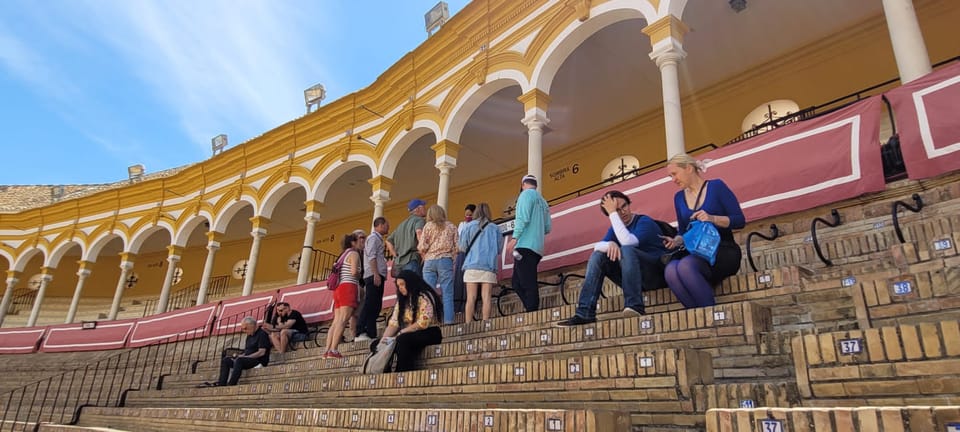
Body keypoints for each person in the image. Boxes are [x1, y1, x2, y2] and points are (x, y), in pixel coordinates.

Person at [556, 191, 668, 326]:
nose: (623, 212)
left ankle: (635, 306)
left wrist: (613, 214)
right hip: (634, 280)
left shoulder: (644, 221)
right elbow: (597, 248)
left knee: (626, 249)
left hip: (657, 276)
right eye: (617, 210)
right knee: (599, 256)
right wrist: (610, 243)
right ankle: (585, 313)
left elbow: (628, 242)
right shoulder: (616, 229)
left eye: (624, 206)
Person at [662, 154, 745, 308]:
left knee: (685, 266)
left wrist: (712, 218)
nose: (673, 180)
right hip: (697, 252)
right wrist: (676, 241)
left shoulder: (716, 186)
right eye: (670, 176)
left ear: (688, 168)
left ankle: (710, 314)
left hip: (722, 250)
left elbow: (739, 220)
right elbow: (683, 230)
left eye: (674, 174)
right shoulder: (678, 197)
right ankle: (699, 319)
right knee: (671, 270)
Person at [380, 270, 443, 372]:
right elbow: (394, 323)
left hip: (429, 331)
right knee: (379, 344)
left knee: (402, 340)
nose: (400, 288)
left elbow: (423, 323)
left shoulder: (424, 296)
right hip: (409, 333)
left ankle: (403, 371)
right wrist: (383, 340)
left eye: (402, 284)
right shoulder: (402, 301)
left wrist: (402, 332)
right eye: (398, 285)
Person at [507, 175, 552, 312]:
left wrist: (514, 238)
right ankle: (530, 308)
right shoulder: (543, 201)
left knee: (525, 282)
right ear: (536, 185)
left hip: (524, 245)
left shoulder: (525, 195)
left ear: (522, 185)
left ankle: (532, 310)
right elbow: (547, 227)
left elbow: (523, 218)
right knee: (517, 281)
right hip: (537, 247)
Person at [458, 202, 503, 322]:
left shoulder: (468, 226)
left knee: (470, 297)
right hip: (488, 265)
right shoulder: (495, 228)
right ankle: (485, 323)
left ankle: (468, 324)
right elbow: (499, 249)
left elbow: (462, 247)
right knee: (486, 297)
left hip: (471, 264)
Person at [418, 205, 459, 324]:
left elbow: (421, 246)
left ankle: (428, 320)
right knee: (447, 292)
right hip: (445, 260)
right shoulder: (451, 226)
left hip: (430, 261)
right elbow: (457, 246)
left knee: (428, 294)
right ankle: (448, 321)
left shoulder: (428, 226)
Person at [324, 233, 362, 359]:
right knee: (343, 320)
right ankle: (334, 350)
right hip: (349, 287)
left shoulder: (342, 255)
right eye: (359, 241)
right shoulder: (354, 254)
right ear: (353, 242)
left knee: (336, 321)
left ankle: (327, 350)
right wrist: (360, 276)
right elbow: (354, 272)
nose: (361, 243)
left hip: (338, 289)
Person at [355, 217, 390, 342]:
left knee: (375, 305)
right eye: (386, 225)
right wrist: (375, 273)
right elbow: (372, 257)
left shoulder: (377, 239)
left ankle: (371, 331)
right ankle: (361, 330)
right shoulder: (373, 238)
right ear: (379, 225)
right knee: (370, 303)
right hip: (373, 275)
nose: (388, 228)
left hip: (377, 274)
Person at [209, 316, 270, 386]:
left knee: (239, 360)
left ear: (252, 325)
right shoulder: (249, 336)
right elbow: (247, 351)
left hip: (258, 360)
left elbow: (262, 352)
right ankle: (221, 383)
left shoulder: (262, 334)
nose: (244, 331)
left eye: (245, 328)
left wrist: (247, 357)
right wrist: (242, 355)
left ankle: (232, 383)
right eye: (243, 329)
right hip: (247, 359)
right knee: (226, 360)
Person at [386, 199, 427, 276]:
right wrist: (423, 253)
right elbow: (419, 233)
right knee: (414, 286)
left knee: (403, 287)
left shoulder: (401, 225)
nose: (425, 209)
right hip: (412, 260)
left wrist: (395, 255)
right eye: (423, 207)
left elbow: (388, 241)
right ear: (418, 209)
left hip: (399, 263)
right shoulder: (419, 220)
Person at [453, 204, 476, 317]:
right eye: (466, 214)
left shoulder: (476, 225)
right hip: (462, 253)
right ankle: (457, 304)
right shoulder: (462, 225)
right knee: (459, 277)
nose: (468, 217)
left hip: (472, 253)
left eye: (470, 215)